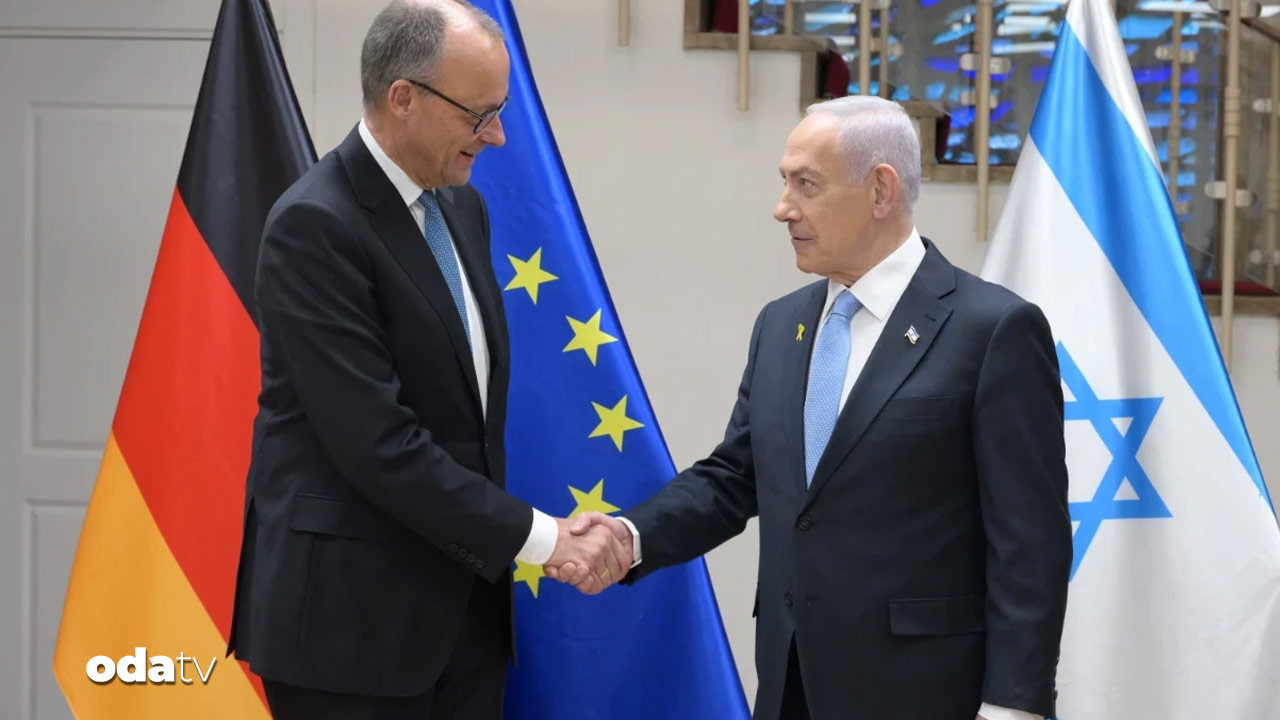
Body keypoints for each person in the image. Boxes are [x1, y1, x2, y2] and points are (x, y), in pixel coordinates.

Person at [565, 96, 1072, 720]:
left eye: (806, 184)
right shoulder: (780, 325)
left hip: (929, 695)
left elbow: (1030, 544)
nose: (783, 207)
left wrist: (1013, 708)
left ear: (881, 190)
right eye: (784, 182)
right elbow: (735, 476)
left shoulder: (993, 329)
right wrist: (630, 535)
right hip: (792, 688)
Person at [228, 2, 625, 718]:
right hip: (351, 633)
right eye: (480, 115)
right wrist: (543, 538)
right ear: (403, 98)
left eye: (500, 112)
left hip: (466, 616)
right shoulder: (315, 224)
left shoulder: (461, 208)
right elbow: (378, 444)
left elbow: (465, 419)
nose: (497, 136)